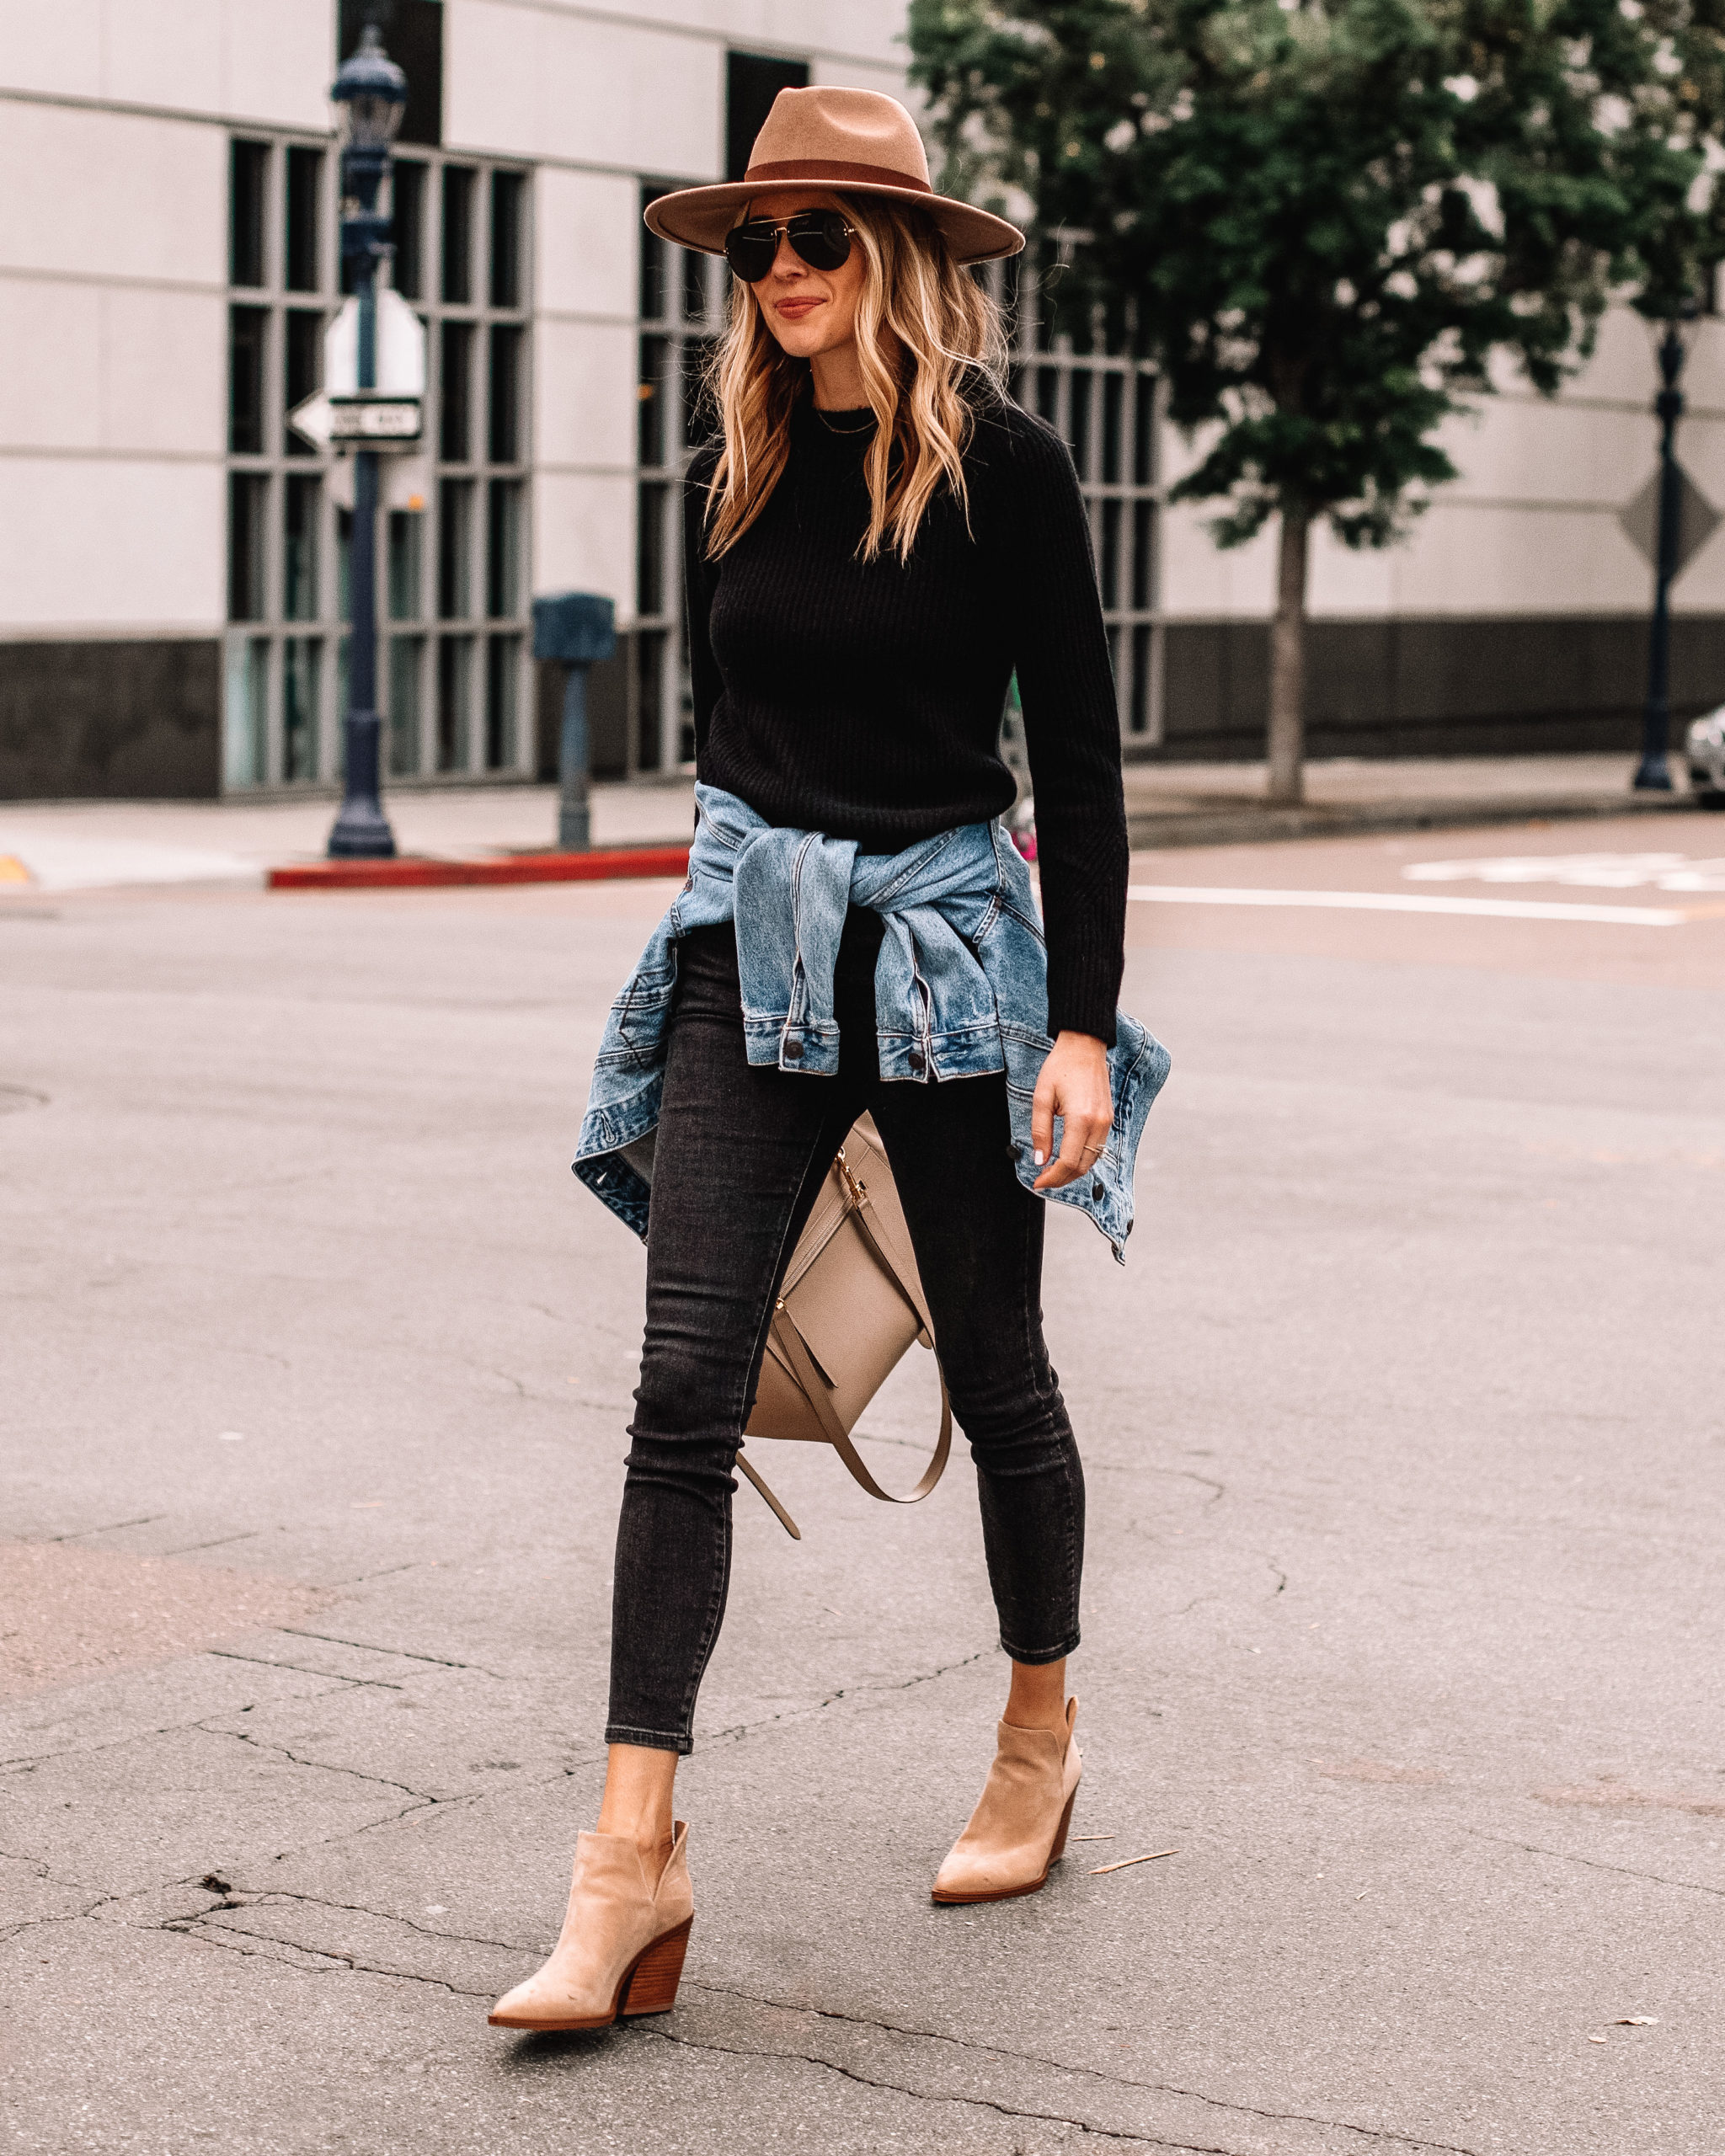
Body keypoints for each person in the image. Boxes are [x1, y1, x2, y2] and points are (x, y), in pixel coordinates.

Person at [489, 87, 1167, 2036]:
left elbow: (1086, 774)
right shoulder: (740, 463)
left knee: (1000, 1365)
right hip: (749, 947)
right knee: (681, 1382)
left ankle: (1037, 1723)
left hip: (950, 961)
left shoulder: (1009, 475)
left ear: (904, 257)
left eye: (818, 237)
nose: (779, 273)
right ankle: (627, 1864)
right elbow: (732, 734)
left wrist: (1080, 1030)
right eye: (754, 245)